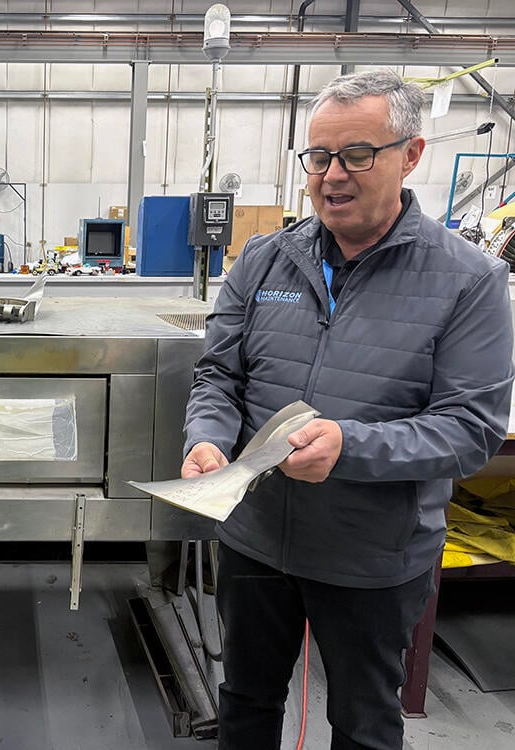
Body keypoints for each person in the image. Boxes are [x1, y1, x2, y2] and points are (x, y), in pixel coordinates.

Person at [180, 69, 514, 750]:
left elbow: (471, 429)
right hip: (254, 538)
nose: (332, 175)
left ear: (411, 154)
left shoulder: (469, 281)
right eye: (319, 156)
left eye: (357, 154)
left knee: (363, 721)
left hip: (374, 555)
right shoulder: (264, 260)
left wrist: (349, 446)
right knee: (244, 701)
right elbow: (218, 374)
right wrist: (208, 438)